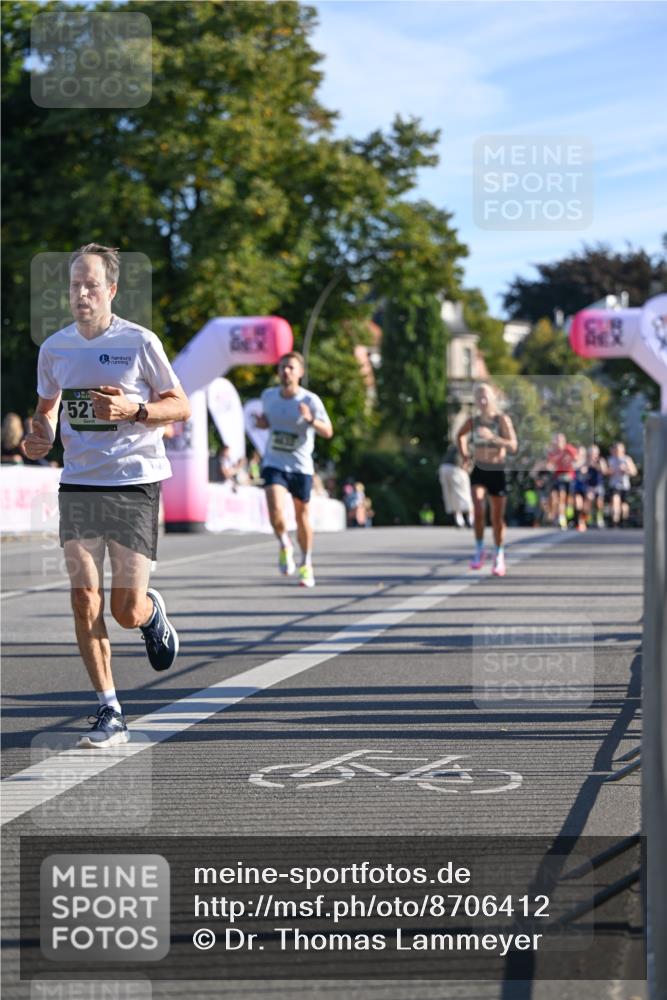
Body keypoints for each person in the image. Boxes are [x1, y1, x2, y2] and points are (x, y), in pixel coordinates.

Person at [21, 243, 191, 748]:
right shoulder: (54, 349)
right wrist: (40, 433)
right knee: (83, 597)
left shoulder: (140, 343)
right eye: (75, 285)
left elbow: (179, 405)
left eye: (91, 284)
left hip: (135, 482)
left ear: (112, 290)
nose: (82, 293)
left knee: (124, 609)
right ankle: (109, 709)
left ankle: (149, 613)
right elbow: (45, 408)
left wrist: (136, 411)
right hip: (78, 484)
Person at [254, 351, 333, 587]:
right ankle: (284, 543)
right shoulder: (268, 396)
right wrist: (262, 423)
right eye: (282, 367)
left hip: (300, 466)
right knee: (276, 508)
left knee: (302, 517)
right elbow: (268, 420)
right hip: (274, 462)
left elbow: (328, 432)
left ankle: (306, 563)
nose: (285, 371)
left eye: (290, 367)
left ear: (300, 372)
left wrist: (310, 420)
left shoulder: (310, 401)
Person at [457, 383, 517, 576]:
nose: (482, 401)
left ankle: (499, 554)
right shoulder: (473, 421)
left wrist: (493, 438)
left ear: (492, 399)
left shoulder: (501, 420)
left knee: (497, 518)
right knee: (479, 507)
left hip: (497, 470)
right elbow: (460, 436)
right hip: (479, 470)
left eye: (485, 397)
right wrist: (465, 455)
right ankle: (479, 549)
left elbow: (513, 446)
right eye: (479, 398)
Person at [545, 433, 578, 529]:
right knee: (559, 497)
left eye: (560, 440)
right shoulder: (553, 451)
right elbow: (550, 464)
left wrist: (571, 460)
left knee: (569, 500)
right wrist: (550, 467)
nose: (558, 442)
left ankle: (569, 518)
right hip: (558, 476)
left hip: (569, 476)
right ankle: (560, 518)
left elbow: (577, 458)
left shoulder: (569, 449)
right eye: (557, 440)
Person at [438, 442, 473, 528]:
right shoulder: (470, 445)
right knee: (464, 494)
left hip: (443, 468)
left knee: (451, 495)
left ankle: (459, 519)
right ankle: (471, 519)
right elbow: (467, 459)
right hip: (456, 468)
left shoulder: (455, 444)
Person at [607, 441, 637, 527]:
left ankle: (624, 521)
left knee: (624, 504)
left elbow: (634, 472)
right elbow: (606, 471)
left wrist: (626, 470)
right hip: (614, 484)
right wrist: (613, 471)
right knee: (615, 500)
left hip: (624, 485)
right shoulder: (611, 459)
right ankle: (615, 521)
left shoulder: (626, 459)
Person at [584, 444, 608, 529]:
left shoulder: (600, 460)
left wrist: (595, 465)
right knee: (589, 500)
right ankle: (588, 519)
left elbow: (605, 471)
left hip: (598, 484)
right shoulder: (586, 461)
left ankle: (599, 518)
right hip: (589, 485)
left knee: (599, 502)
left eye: (594, 453)